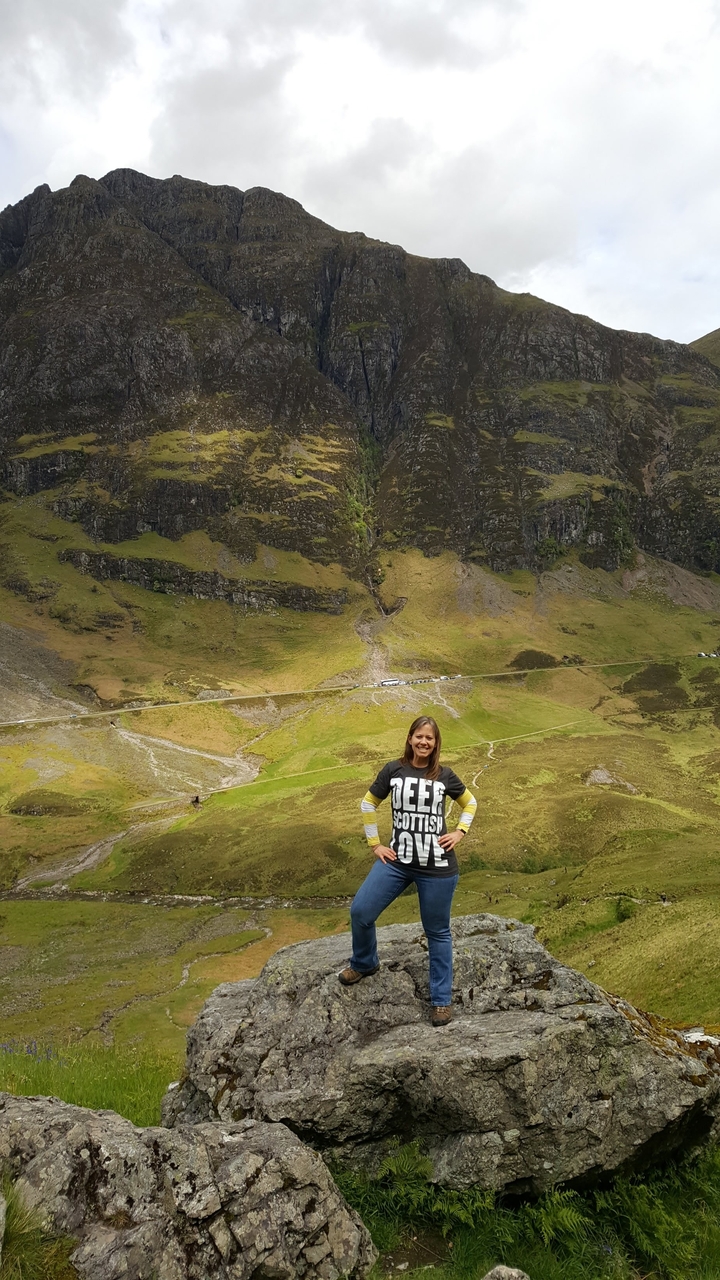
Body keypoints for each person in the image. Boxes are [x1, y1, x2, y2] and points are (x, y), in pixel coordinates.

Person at [338, 715, 477, 1027]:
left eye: (430, 738)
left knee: (437, 932)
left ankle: (441, 1002)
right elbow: (367, 804)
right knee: (361, 910)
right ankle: (364, 963)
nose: (424, 742)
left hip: (437, 867)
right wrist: (375, 844)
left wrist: (459, 833)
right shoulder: (393, 770)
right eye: (419, 736)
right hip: (397, 862)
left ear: (436, 743)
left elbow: (470, 803)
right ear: (410, 738)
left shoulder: (445, 775)